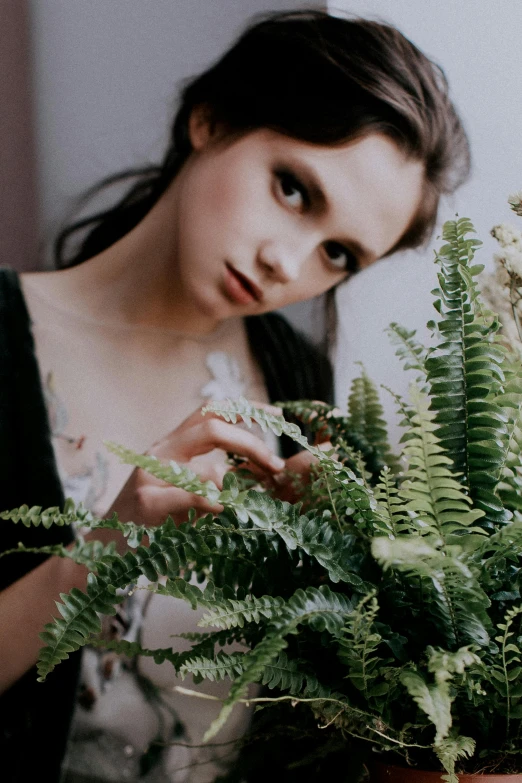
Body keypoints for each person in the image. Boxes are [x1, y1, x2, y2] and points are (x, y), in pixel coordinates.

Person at [0, 9, 470, 782]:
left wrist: (352, 578)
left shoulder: (299, 398)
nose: (288, 264)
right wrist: (98, 552)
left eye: (338, 253)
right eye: (293, 188)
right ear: (210, 119)